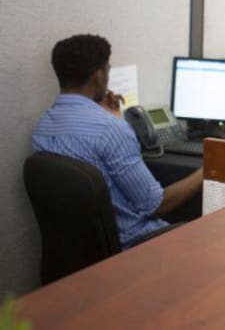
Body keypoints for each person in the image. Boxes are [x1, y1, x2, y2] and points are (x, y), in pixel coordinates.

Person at [32, 34, 203, 248]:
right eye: (108, 70)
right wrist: (206, 170)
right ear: (98, 76)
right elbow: (157, 205)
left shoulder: (42, 128)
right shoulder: (110, 130)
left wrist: (113, 118)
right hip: (134, 246)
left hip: (80, 252)